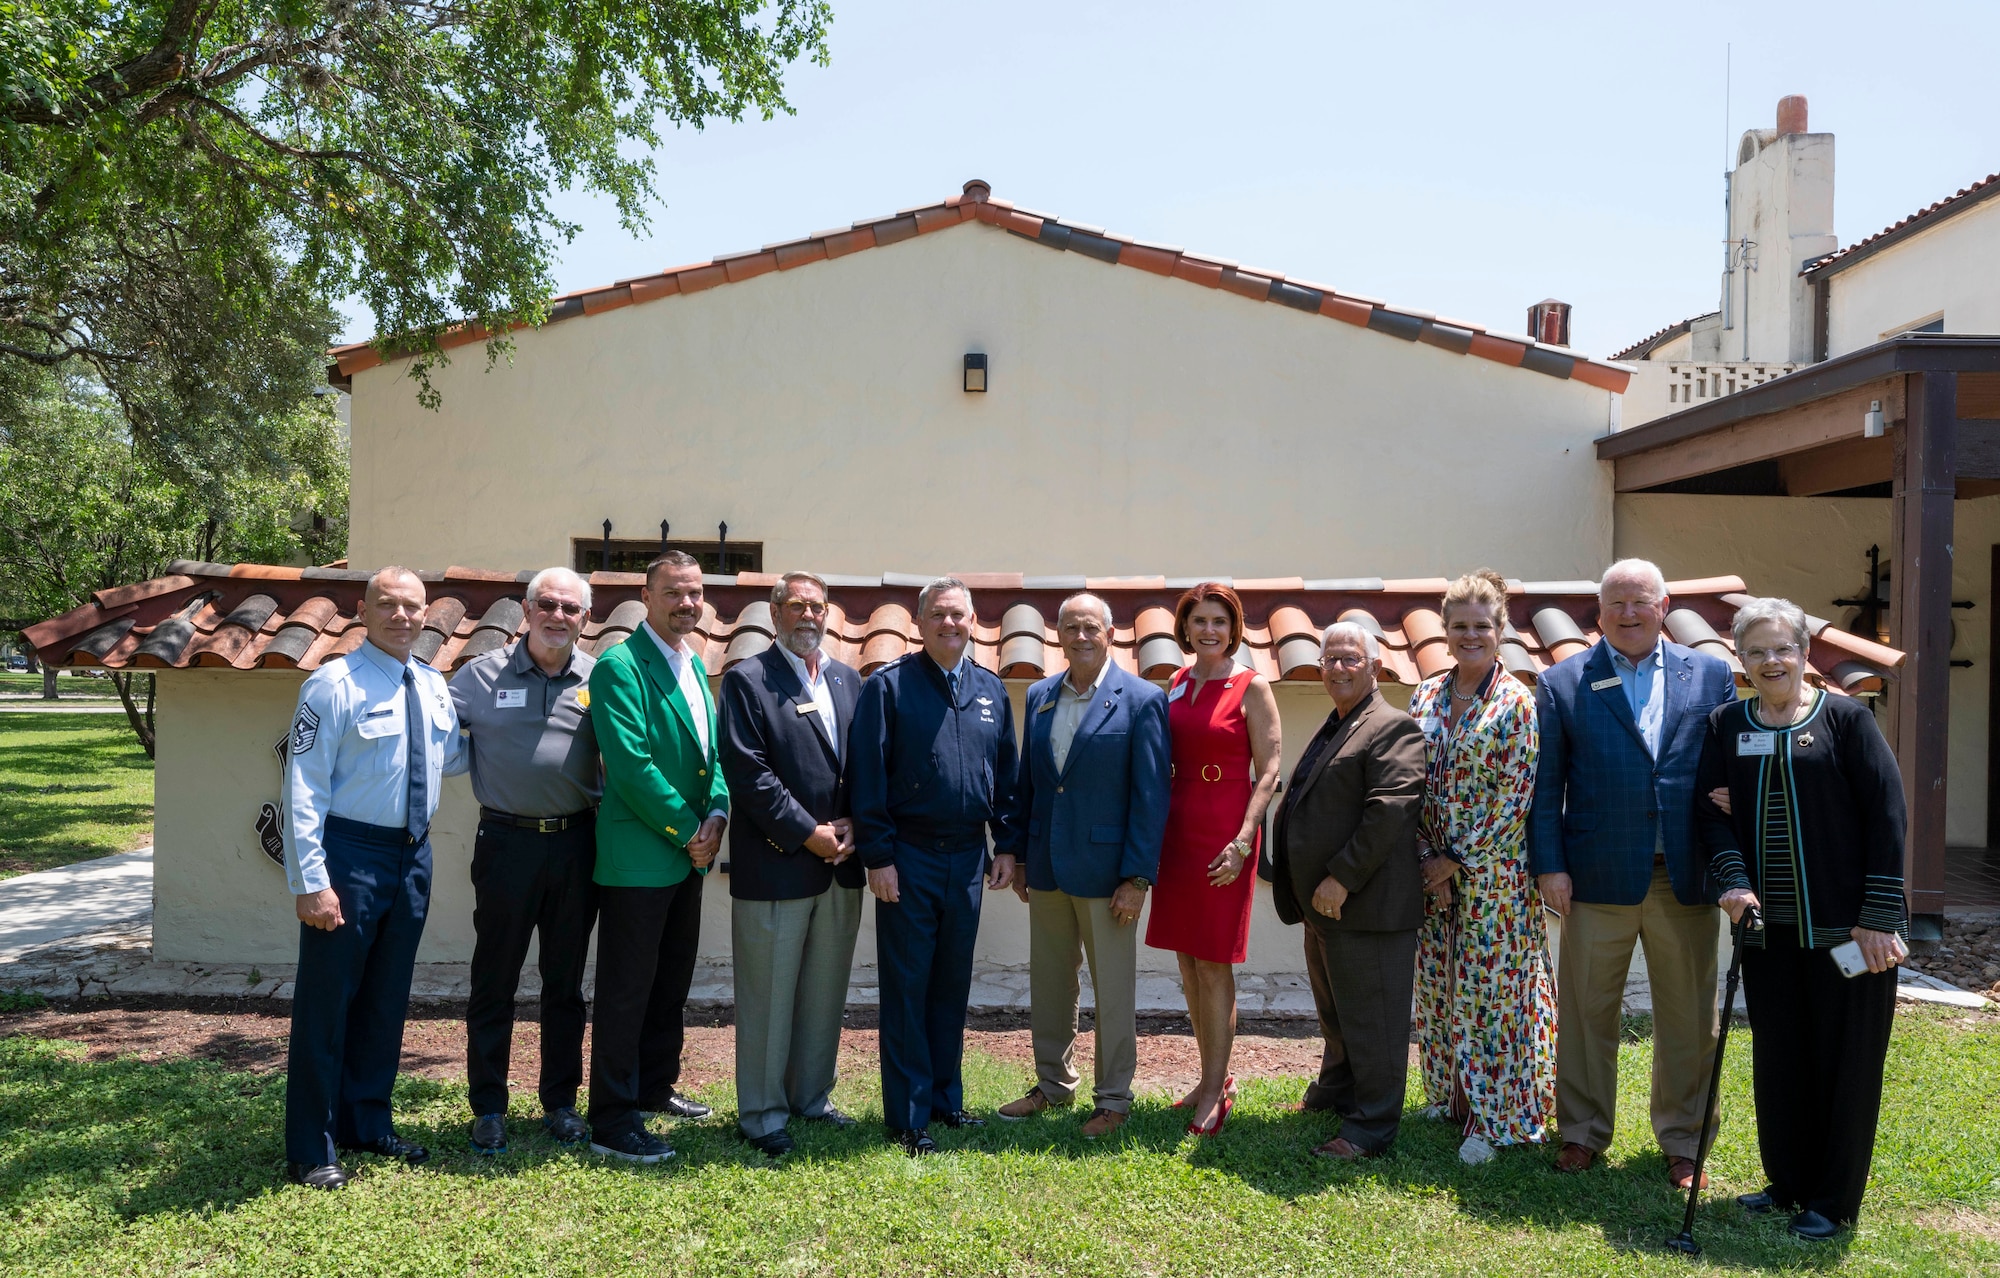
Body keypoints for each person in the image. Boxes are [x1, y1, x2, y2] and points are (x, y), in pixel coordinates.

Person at [1696, 597, 1908, 1240]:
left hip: (1848, 933)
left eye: (1781, 647)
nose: (1770, 660)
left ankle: (1833, 1199)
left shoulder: (1847, 720)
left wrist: (1877, 916)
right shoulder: (1727, 725)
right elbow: (1712, 814)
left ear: (1803, 653)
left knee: (1845, 1063)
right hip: (1770, 934)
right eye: (1756, 650)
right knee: (1782, 1058)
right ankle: (1787, 1183)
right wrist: (1735, 887)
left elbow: (1886, 815)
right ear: (1741, 659)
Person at [1528, 558, 1737, 1185]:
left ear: (1663, 605)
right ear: (1598, 611)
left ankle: (1684, 1142)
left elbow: (1727, 770)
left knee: (1688, 1016)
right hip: (1594, 875)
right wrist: (1551, 868)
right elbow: (1545, 789)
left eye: (1639, 601)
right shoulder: (1563, 682)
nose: (1627, 613)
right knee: (1589, 1013)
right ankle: (1583, 1134)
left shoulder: (1712, 675)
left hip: (1684, 873)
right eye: (1615, 602)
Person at [280, 566, 466, 1189]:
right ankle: (312, 1145)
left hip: (412, 856)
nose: (401, 616)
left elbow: (455, 758)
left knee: (387, 997)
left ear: (427, 616)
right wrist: (311, 879)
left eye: (413, 607)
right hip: (350, 855)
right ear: (363, 609)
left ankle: (366, 1122)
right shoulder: (333, 685)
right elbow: (302, 786)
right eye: (387, 604)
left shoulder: (436, 685)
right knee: (328, 1002)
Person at [849, 576, 1022, 1156]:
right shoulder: (890, 688)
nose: (950, 625)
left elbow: (1006, 778)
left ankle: (947, 1102)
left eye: (959, 615)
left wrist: (1006, 845)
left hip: (968, 859)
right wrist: (878, 856)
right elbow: (867, 779)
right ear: (920, 624)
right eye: (939, 616)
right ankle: (907, 1116)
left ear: (974, 622)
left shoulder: (990, 691)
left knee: (951, 985)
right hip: (909, 856)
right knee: (908, 986)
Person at [997, 593, 1171, 1139]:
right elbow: (1030, 781)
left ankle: (1114, 1098)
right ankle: (1053, 1084)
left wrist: (1138, 878)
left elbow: (1151, 796)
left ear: (1110, 634)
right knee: (1050, 983)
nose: (1080, 636)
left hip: (1109, 876)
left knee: (1112, 989)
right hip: (1047, 865)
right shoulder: (1043, 694)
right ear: (1058, 635)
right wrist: (1022, 856)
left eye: (1090, 627)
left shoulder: (1142, 699)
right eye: (1070, 627)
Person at [449, 566, 601, 1154]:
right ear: (525, 609)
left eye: (571, 608)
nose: (558, 616)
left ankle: (560, 1102)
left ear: (586, 620)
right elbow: (431, 733)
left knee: (564, 983)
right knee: (495, 979)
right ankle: (488, 1106)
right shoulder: (477, 677)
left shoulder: (600, 679)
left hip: (576, 843)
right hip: (506, 845)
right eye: (548, 604)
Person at [586, 550, 731, 1163]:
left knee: (669, 981)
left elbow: (712, 753)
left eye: (695, 593)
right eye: (673, 592)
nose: (686, 603)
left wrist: (719, 812)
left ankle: (652, 1086)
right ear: (647, 598)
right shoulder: (619, 667)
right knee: (626, 989)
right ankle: (613, 1119)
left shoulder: (693, 664)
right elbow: (630, 764)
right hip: (641, 857)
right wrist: (689, 827)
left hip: (689, 853)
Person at [1407, 570, 1554, 1166]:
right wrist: (1424, 856)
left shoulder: (1516, 702)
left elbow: (1513, 797)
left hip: (1492, 876)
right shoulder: (1426, 694)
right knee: (1439, 987)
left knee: (1492, 994)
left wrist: (1453, 861)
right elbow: (1407, 780)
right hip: (1428, 868)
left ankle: (1498, 1116)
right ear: (1445, 630)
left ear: (1502, 630)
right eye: (1460, 626)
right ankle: (1447, 1098)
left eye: (1482, 626)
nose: (1471, 635)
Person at [717, 571, 865, 1158]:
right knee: (769, 996)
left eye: (818, 607)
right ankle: (760, 1114)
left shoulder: (848, 679)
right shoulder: (748, 680)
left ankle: (811, 1098)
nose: (809, 616)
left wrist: (853, 821)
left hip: (841, 865)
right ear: (775, 613)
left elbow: (862, 765)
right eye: (797, 605)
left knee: (825, 992)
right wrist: (810, 835)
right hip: (779, 864)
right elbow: (749, 774)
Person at [1269, 621, 1426, 1159]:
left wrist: (1341, 877)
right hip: (1324, 906)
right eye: (1330, 659)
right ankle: (1337, 1091)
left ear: (1376, 668)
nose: (1337, 668)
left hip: (1366, 904)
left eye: (1349, 659)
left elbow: (1390, 810)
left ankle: (1371, 1127)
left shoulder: (1391, 725)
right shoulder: (1340, 721)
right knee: (1337, 1010)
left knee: (1374, 1019)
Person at [1144, 582, 1282, 1137]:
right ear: (1185, 627)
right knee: (1185, 958)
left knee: (1213, 961)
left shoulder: (1253, 685)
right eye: (1199, 620)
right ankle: (1209, 1078)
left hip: (1226, 830)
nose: (1209, 631)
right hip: (1177, 829)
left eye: (1219, 622)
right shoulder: (1176, 682)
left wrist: (1246, 836)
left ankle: (1217, 1086)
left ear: (1234, 628)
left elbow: (1270, 768)